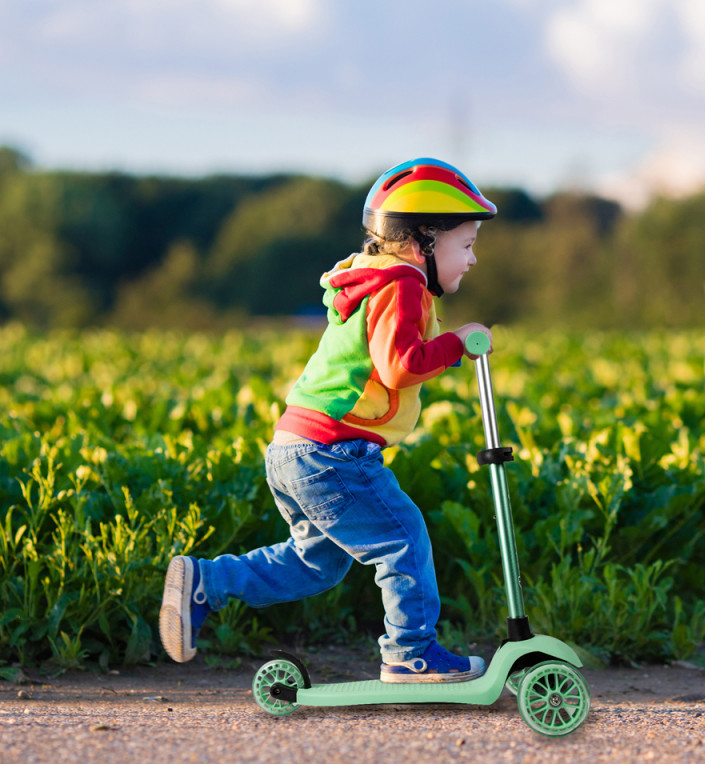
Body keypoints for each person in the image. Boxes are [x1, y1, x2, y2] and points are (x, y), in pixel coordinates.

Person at [159, 157, 496, 682]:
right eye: (467, 245)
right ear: (425, 238)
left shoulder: (373, 279)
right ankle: (411, 652)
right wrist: (456, 343)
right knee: (402, 538)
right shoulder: (403, 282)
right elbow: (400, 365)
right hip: (333, 452)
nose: (472, 260)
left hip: (295, 446)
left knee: (315, 563)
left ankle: (206, 583)